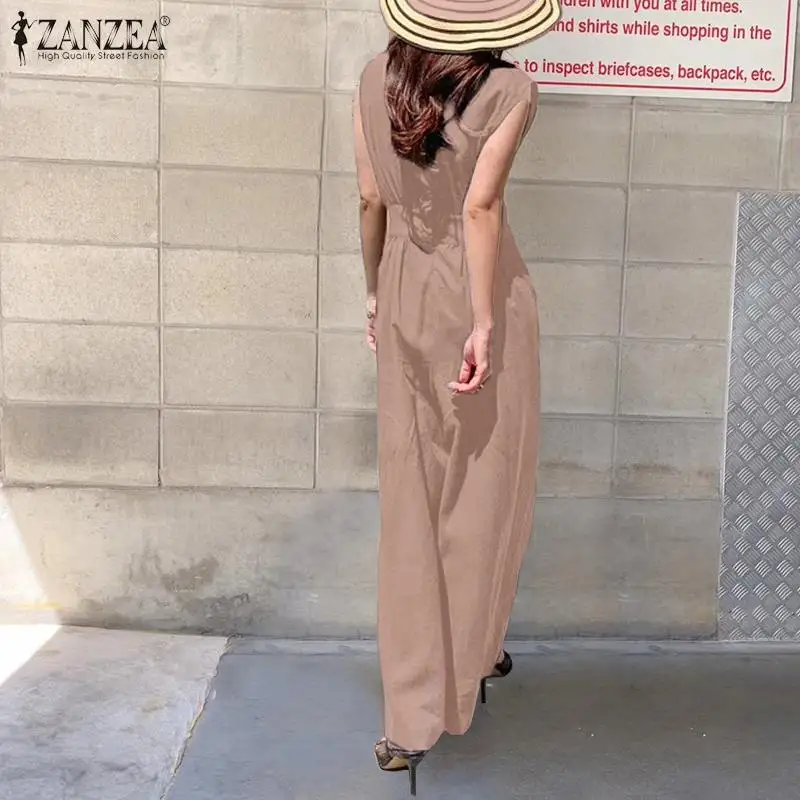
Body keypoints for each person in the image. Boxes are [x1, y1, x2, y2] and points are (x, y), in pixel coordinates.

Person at [353, 0, 562, 793]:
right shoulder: (510, 90)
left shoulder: (373, 77)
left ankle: (409, 719)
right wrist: (482, 322)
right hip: (481, 295)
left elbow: (371, 198)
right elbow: (481, 206)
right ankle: (472, 656)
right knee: (482, 491)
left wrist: (376, 289)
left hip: (405, 286)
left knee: (411, 494)